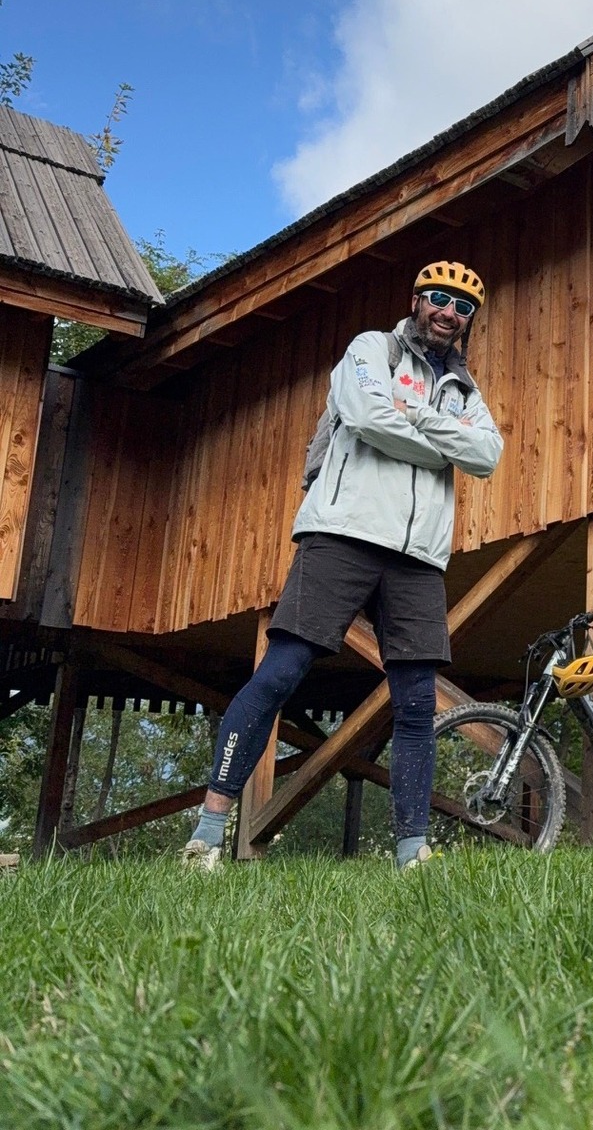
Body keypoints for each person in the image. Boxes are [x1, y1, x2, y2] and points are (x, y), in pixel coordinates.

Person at [181, 261, 503, 870]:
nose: (449, 312)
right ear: (416, 299)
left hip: (418, 558)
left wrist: (417, 416)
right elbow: (367, 417)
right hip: (342, 535)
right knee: (280, 674)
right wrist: (442, 439)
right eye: (439, 298)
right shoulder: (371, 349)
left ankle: (412, 851)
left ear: (468, 323)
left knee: (414, 701)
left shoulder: (467, 391)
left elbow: (486, 455)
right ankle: (206, 834)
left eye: (463, 307)